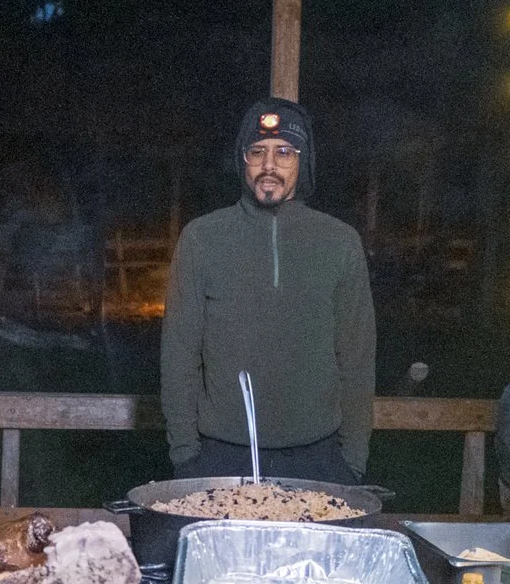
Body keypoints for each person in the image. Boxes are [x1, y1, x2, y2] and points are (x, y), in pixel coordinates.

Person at [160, 97, 376, 484]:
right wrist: (186, 456)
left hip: (318, 459)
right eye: (257, 152)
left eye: (284, 153)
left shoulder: (340, 242)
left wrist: (353, 461)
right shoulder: (202, 238)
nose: (269, 165)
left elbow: (357, 358)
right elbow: (179, 354)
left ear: (303, 161)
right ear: (242, 160)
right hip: (221, 457)